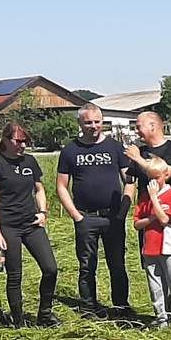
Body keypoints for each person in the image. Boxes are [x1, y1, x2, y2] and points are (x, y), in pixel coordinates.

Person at [56, 104, 133, 316]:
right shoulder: (70, 150)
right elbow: (61, 186)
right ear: (80, 123)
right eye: (88, 122)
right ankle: (89, 306)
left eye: (97, 122)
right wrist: (76, 216)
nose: (93, 126)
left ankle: (121, 306)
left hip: (113, 216)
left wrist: (124, 208)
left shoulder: (115, 147)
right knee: (87, 265)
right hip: (86, 217)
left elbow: (129, 180)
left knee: (117, 264)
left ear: (102, 122)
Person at [0, 122, 59, 327]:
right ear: (6, 140)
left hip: (31, 224)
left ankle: (45, 314)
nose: (23, 145)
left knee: (50, 268)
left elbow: (39, 189)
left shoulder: (30, 162)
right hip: (9, 226)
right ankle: (17, 320)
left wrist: (43, 213)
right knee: (15, 274)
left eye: (25, 141)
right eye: (18, 141)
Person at [124, 112, 171, 309]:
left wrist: (138, 159)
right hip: (147, 215)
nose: (136, 130)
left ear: (153, 126)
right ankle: (162, 311)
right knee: (152, 261)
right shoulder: (141, 151)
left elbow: (166, 174)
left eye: (139, 126)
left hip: (169, 214)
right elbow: (130, 181)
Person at [133, 157, 171, 328]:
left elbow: (166, 219)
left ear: (165, 175)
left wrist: (154, 199)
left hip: (169, 247)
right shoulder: (144, 197)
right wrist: (150, 218)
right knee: (155, 287)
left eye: (157, 177)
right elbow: (137, 223)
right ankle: (161, 318)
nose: (153, 182)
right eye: (150, 178)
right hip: (150, 247)